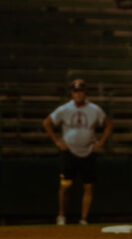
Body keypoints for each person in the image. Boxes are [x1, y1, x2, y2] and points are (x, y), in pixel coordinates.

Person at [43, 78, 113, 225]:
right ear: (71, 93)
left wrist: (100, 142)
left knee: (88, 186)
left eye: (81, 91)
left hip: (88, 151)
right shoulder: (65, 109)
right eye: (76, 92)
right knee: (65, 185)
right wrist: (57, 141)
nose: (79, 95)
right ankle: (61, 216)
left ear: (85, 93)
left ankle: (84, 218)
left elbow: (108, 125)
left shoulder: (94, 109)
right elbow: (47, 122)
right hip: (69, 152)